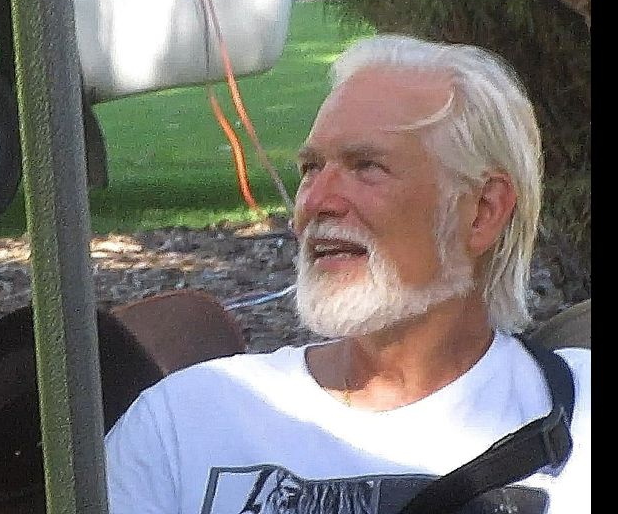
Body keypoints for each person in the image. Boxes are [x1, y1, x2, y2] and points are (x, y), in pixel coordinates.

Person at [104, 35, 591, 513]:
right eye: (311, 169)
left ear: (483, 211)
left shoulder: (577, 419)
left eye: (366, 167)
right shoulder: (184, 425)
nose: (316, 202)